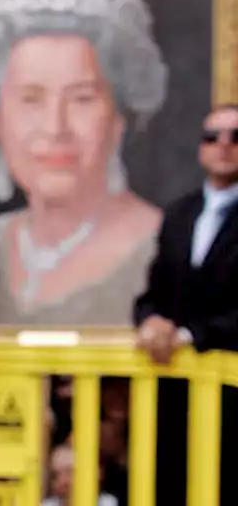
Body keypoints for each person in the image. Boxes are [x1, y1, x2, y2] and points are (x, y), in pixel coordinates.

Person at [0, 0, 168, 326]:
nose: (55, 127)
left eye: (81, 98)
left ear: (119, 117)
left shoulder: (165, 249)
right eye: (30, 99)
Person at [133, 104, 238, 504]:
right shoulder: (180, 213)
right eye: (213, 136)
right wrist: (151, 323)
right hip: (176, 397)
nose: (224, 146)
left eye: (235, 136)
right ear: (201, 149)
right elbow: (152, 294)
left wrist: (189, 334)